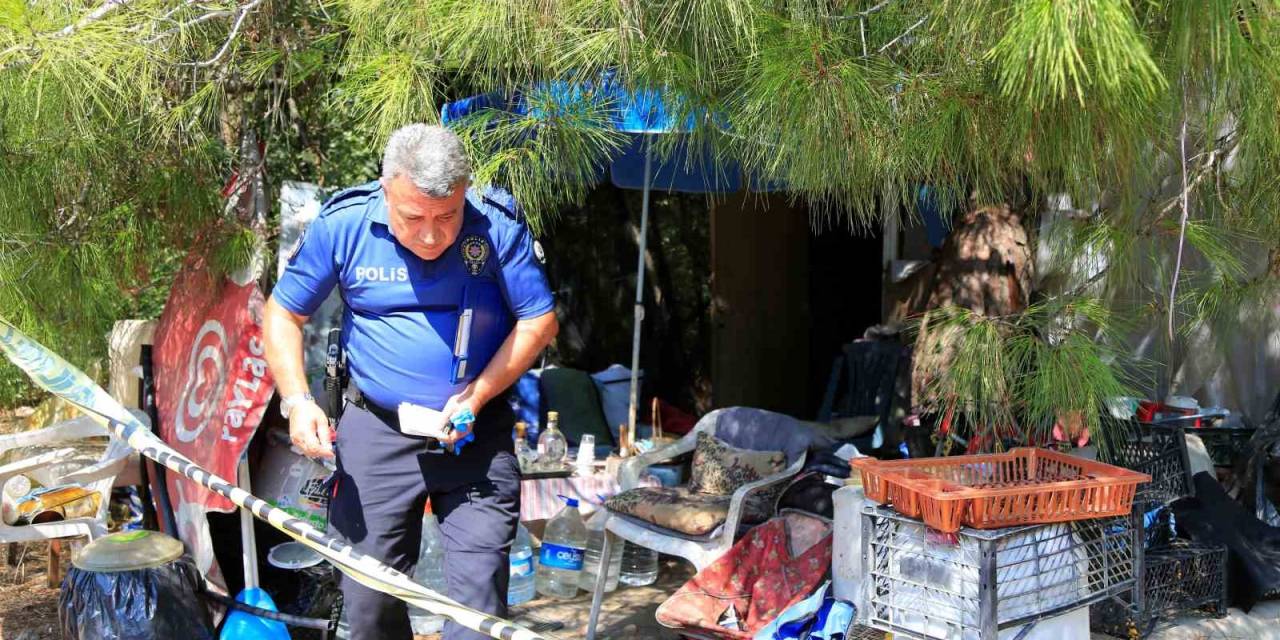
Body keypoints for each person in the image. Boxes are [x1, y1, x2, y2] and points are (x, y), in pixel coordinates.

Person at [263, 123, 558, 640]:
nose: (430, 234)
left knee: (478, 614)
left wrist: (478, 393)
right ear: (386, 189)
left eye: (447, 217)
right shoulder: (346, 223)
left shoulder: (497, 226)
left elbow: (539, 321)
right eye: (413, 216)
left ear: (465, 192)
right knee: (369, 602)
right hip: (375, 434)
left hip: (474, 435)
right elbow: (283, 313)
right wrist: (296, 400)